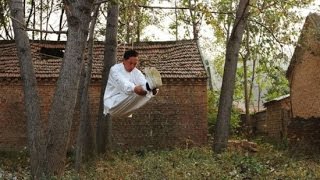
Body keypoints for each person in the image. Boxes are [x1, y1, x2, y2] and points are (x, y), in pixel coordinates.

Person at [103, 49, 162, 117]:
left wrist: (152, 89)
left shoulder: (136, 72)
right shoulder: (115, 70)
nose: (132, 66)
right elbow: (125, 85)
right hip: (112, 104)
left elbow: (143, 82)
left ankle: (150, 87)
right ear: (124, 60)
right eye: (130, 63)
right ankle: (149, 87)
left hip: (126, 109)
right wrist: (144, 89)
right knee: (136, 91)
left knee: (146, 91)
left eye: (135, 64)